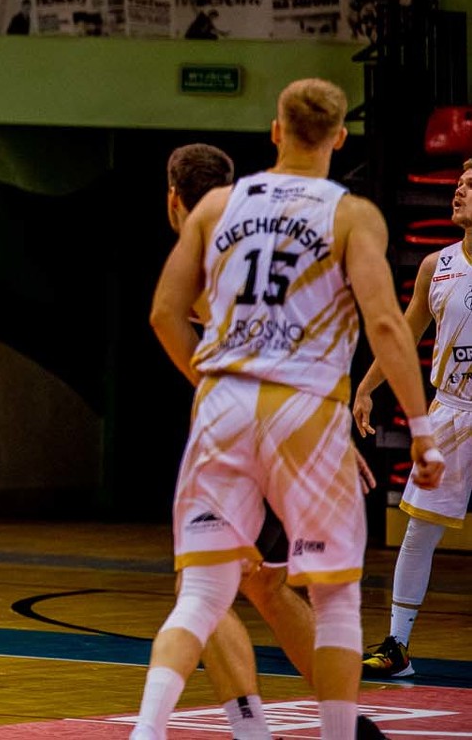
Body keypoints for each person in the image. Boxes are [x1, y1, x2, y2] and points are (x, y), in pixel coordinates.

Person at [135, 80, 444, 740]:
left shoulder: (217, 213)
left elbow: (164, 313)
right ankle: (337, 728)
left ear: (275, 131)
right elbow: (383, 323)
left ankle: (163, 728)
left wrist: (212, 381)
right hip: (306, 415)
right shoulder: (348, 214)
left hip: (227, 408)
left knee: (205, 591)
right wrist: (418, 429)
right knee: (316, 594)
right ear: (340, 136)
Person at [165, 144, 386, 740]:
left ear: (172, 199)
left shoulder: (204, 256)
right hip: (294, 430)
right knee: (265, 582)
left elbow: (170, 321)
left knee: (200, 589)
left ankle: (250, 730)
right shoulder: (257, 243)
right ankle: (348, 722)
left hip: (245, 438)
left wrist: (225, 397)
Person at [353, 159, 472, 680]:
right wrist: (367, 386)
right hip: (452, 410)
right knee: (418, 532)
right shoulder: (435, 266)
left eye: (471, 186)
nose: (458, 191)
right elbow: (403, 335)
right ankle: (397, 647)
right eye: (459, 184)